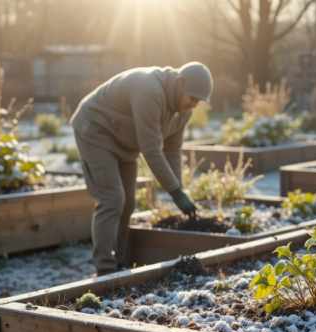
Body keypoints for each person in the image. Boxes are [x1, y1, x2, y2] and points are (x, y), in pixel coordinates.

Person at [70, 62, 213, 276]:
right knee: (112, 199)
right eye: (192, 98)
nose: (193, 105)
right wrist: (175, 193)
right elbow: (152, 150)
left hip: (126, 145)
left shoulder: (183, 112)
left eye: (198, 101)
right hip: (96, 132)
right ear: (179, 83)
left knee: (128, 203)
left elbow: (172, 150)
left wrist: (179, 190)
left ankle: (120, 264)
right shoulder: (149, 91)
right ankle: (105, 269)